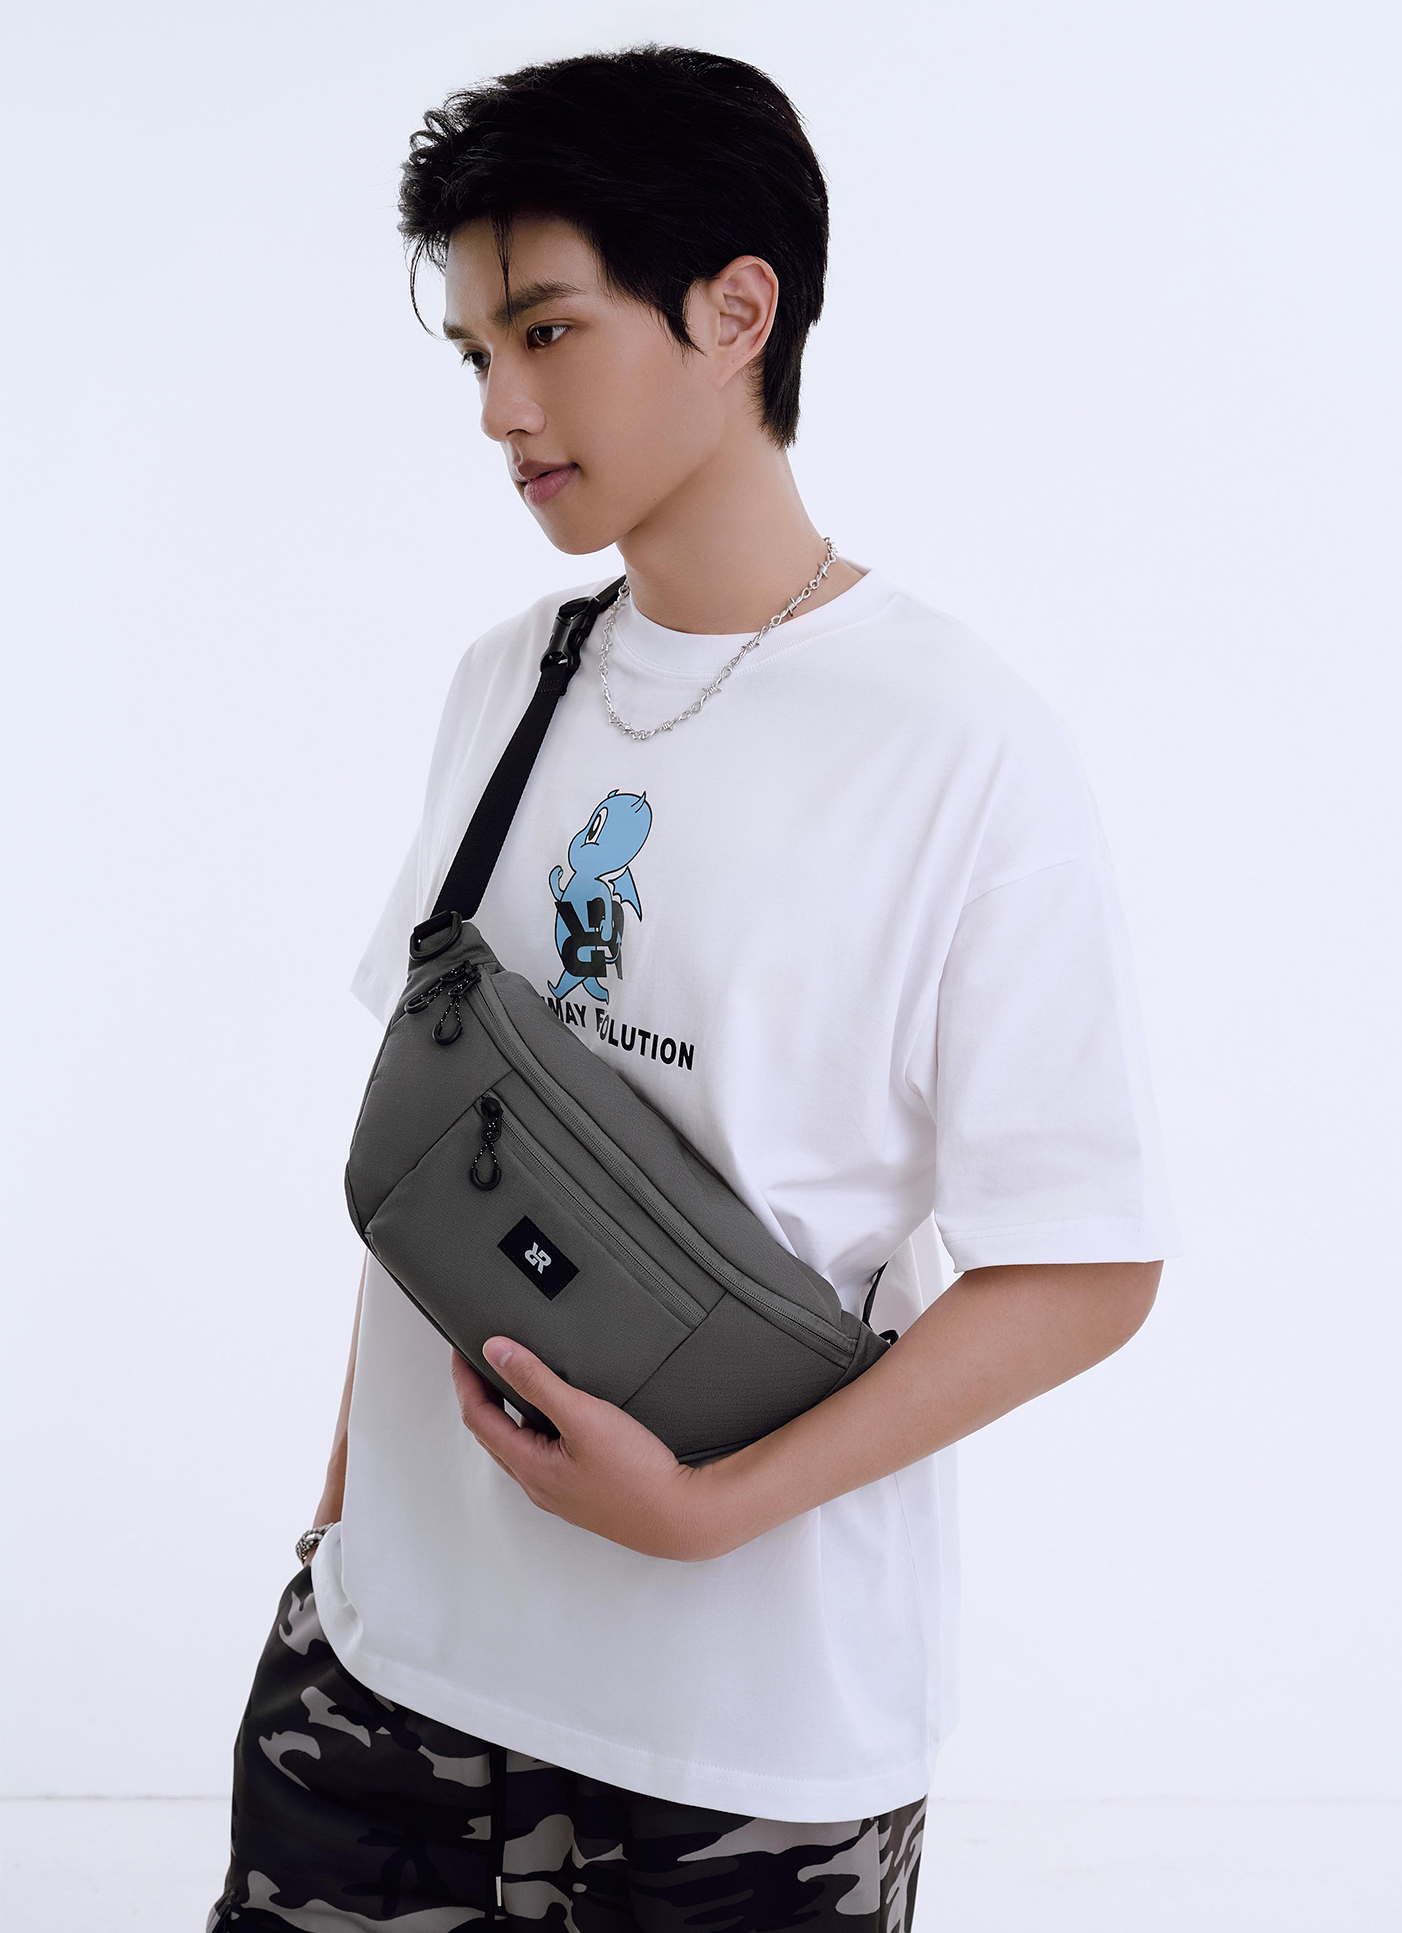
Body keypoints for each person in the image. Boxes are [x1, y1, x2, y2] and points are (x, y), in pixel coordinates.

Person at [208, 43, 1179, 1933]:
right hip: (386, 1685)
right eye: (474, 353)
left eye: (547, 332)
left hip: (743, 1748)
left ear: (738, 311)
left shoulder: (957, 742)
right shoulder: (510, 679)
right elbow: (437, 1149)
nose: (501, 407)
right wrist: (337, 1535)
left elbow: (1087, 1261)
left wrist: (708, 1510)